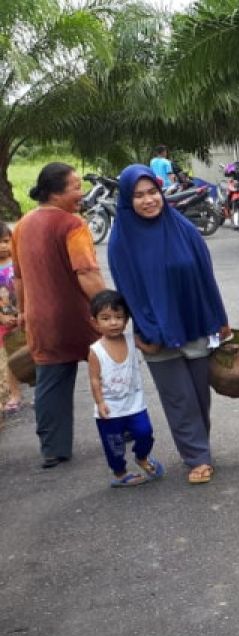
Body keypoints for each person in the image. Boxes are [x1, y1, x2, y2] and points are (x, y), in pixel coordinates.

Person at [108, 164, 229, 485]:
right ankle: (197, 457)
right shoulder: (122, 240)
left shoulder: (182, 228)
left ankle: (199, 446)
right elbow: (129, 290)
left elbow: (205, 276)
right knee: (179, 399)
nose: (148, 201)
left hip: (194, 321)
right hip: (154, 332)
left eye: (152, 193)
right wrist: (147, 330)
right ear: (126, 200)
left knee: (199, 396)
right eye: (139, 196)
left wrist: (219, 318)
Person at [11, 162, 106, 468]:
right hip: (76, 316)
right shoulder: (72, 224)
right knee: (107, 367)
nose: (81, 193)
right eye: (76, 187)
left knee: (51, 383)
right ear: (55, 192)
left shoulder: (22, 224)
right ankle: (123, 427)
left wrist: (24, 311)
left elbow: (19, 277)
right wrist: (108, 304)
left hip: (41, 319)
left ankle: (53, 448)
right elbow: (86, 271)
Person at [86, 290, 164, 488]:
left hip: (134, 404)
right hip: (110, 409)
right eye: (105, 318)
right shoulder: (96, 350)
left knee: (145, 432)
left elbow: (150, 349)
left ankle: (142, 457)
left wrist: (160, 337)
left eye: (118, 317)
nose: (113, 322)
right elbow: (94, 379)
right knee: (114, 445)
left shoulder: (131, 339)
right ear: (95, 322)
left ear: (127, 319)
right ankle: (120, 473)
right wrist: (100, 402)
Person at [0, 220, 22, 413]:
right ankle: (14, 394)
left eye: (6, 240)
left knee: (32, 353)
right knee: (9, 360)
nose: (3, 246)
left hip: (23, 316)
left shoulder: (18, 262)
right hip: (3, 321)